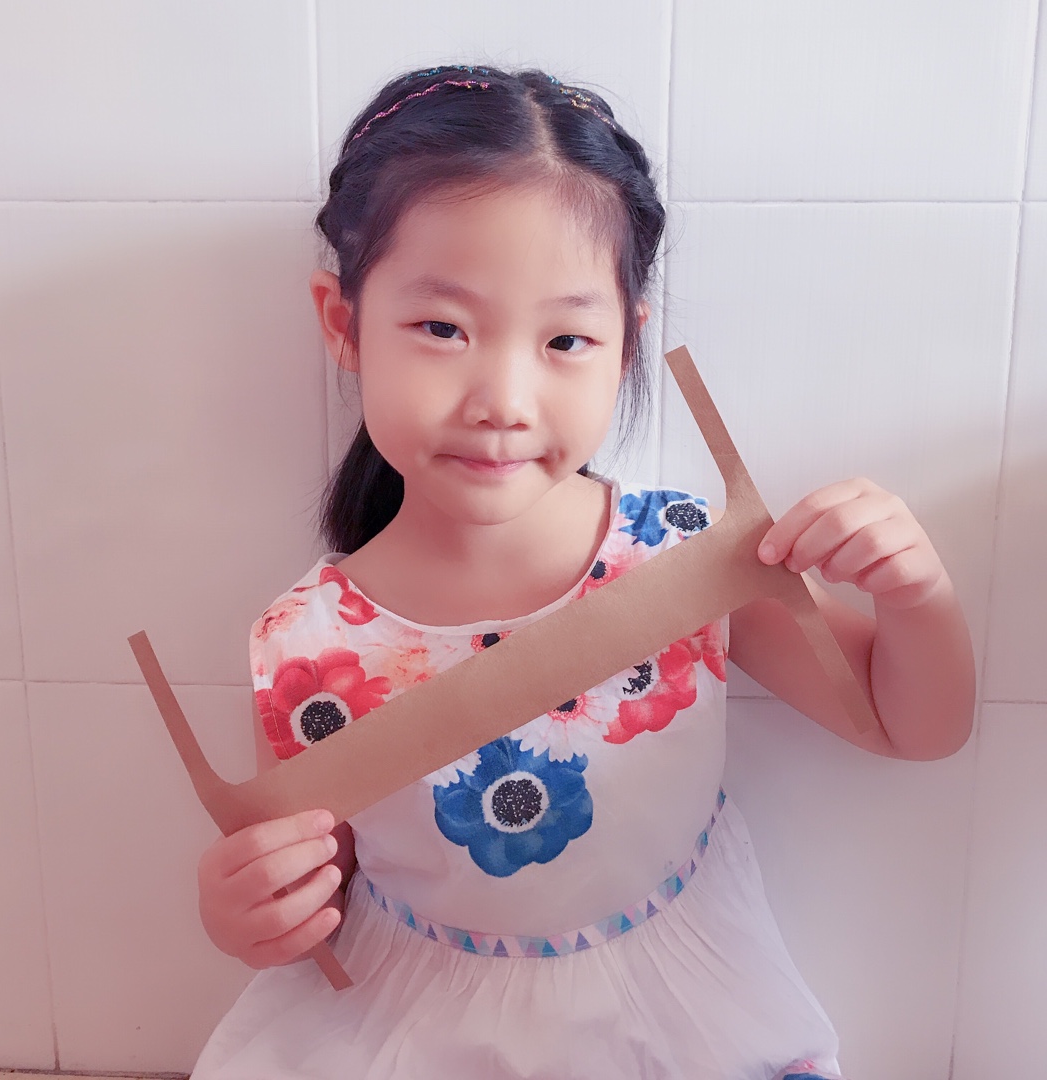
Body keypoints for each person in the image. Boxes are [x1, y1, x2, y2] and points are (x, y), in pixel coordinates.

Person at [191, 65, 975, 1080]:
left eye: (566, 339)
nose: (503, 399)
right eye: (442, 329)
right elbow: (317, 892)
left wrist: (915, 594)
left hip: (683, 1023)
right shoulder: (308, 646)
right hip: (414, 1029)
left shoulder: (689, 556)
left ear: (626, 346)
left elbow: (913, 726)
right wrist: (250, 913)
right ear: (344, 324)